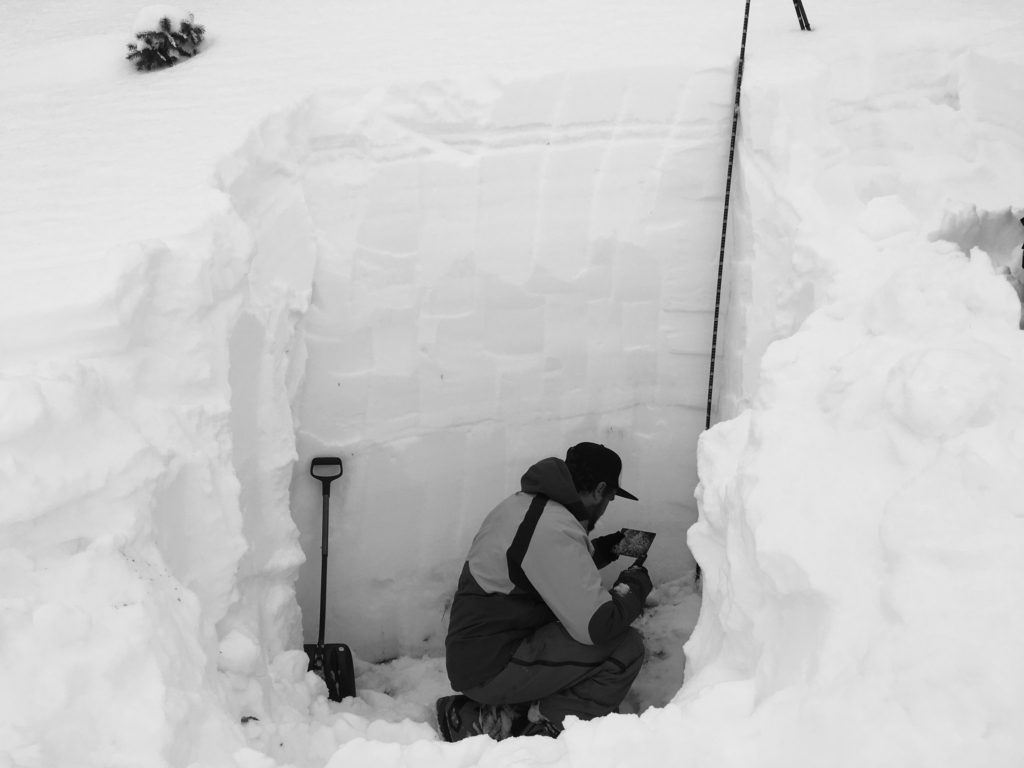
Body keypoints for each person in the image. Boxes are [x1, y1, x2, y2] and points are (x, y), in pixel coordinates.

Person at [436, 442, 653, 741]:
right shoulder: (551, 527)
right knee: (624, 648)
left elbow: (549, 567)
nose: (607, 505)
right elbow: (598, 626)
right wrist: (635, 583)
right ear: (600, 489)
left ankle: (482, 716)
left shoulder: (527, 506)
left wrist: (610, 548)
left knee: (570, 628)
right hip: (491, 666)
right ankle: (543, 730)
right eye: (611, 497)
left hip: (481, 654)